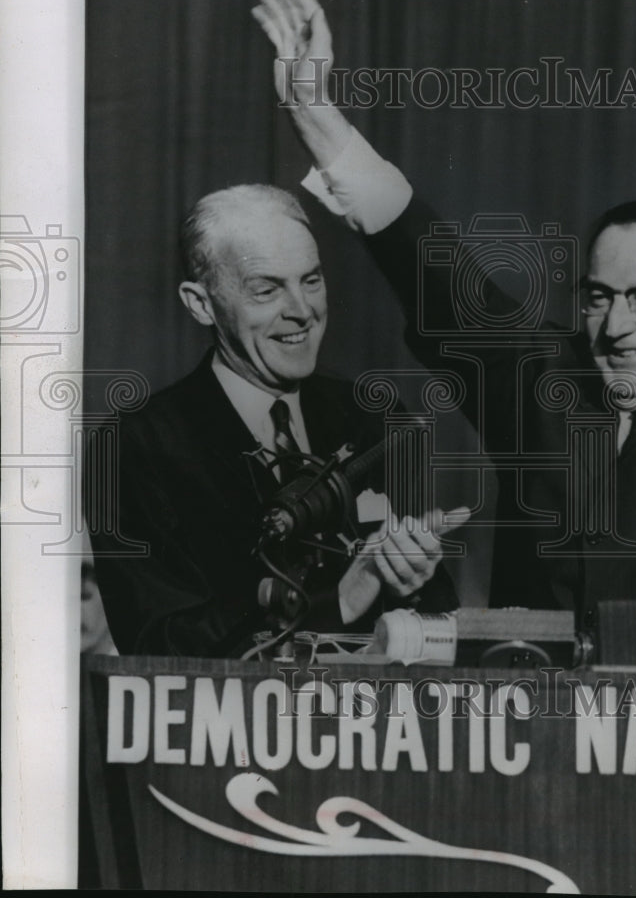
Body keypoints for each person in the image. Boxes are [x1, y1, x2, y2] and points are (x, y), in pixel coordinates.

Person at [252, 0, 636, 634]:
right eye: (597, 298)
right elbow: (434, 271)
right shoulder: (546, 386)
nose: (616, 328)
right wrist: (316, 118)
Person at [87, 181, 465, 657]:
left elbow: (439, 616)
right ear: (200, 303)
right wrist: (338, 601)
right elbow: (158, 642)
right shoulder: (138, 445)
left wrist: (410, 580)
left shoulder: (377, 419)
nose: (303, 311)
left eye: (311, 280)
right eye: (267, 290)